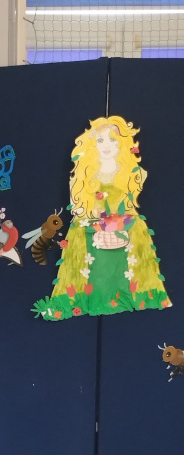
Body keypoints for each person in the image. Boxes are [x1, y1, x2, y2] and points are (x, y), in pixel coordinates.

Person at [33, 116, 171, 320]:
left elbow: (129, 207)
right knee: (91, 273)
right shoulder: (82, 176)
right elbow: (78, 209)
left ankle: (129, 297)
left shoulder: (135, 174)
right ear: (92, 143)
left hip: (126, 231)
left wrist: (118, 226)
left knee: (128, 273)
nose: (106, 145)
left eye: (112, 139)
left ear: (122, 142)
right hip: (89, 233)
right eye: (100, 140)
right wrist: (97, 225)